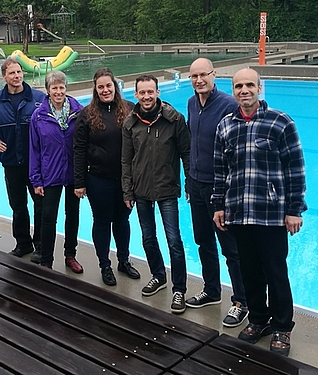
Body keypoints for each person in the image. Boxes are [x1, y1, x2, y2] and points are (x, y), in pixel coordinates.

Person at [212, 68, 307, 356]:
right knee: (249, 271)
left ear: (259, 87)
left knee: (276, 272)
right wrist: (219, 205)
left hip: (271, 214)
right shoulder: (226, 126)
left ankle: (281, 327)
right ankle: (258, 319)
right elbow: (221, 171)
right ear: (233, 90)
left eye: (249, 85)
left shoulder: (280, 122)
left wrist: (294, 210)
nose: (244, 90)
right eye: (238, 86)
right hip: (239, 213)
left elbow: (295, 168)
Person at [185, 58, 248, 328]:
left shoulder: (228, 105)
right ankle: (211, 290)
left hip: (219, 189)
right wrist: (189, 180)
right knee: (203, 242)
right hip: (196, 185)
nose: (199, 80)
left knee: (230, 248)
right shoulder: (190, 103)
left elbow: (238, 152)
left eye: (203, 75)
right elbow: (191, 146)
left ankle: (241, 301)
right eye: (194, 76)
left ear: (214, 75)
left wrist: (226, 193)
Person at [121, 74, 190, 314]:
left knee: (174, 240)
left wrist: (189, 182)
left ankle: (179, 289)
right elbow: (126, 160)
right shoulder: (130, 123)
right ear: (136, 94)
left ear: (158, 92)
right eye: (142, 92)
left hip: (166, 189)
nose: (147, 96)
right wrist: (127, 190)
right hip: (140, 191)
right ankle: (158, 276)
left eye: (151, 92)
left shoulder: (174, 119)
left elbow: (186, 153)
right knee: (148, 238)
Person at [73, 68, 140, 286]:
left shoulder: (129, 109)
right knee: (102, 222)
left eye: (108, 85)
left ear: (115, 86)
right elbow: (79, 149)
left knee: (122, 221)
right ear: (95, 89)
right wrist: (80, 182)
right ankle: (105, 265)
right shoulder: (86, 114)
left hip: (125, 180)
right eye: (100, 87)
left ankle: (123, 260)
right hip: (98, 180)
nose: (105, 90)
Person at [0, 57, 45, 261]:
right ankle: (23, 244)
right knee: (18, 206)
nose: (17, 76)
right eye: (12, 73)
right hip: (12, 163)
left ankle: (40, 245)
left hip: (35, 165)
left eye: (19, 72)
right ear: (4, 76)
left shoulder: (38, 98)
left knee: (40, 205)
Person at [29, 71, 84, 273]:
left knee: (73, 215)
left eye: (62, 87)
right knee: (48, 217)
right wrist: (36, 180)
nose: (58, 91)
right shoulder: (39, 116)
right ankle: (46, 260)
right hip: (49, 174)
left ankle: (70, 255)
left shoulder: (79, 112)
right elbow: (34, 150)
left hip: (72, 175)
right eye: (54, 88)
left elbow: (85, 145)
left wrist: (83, 175)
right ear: (48, 90)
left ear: (66, 89)